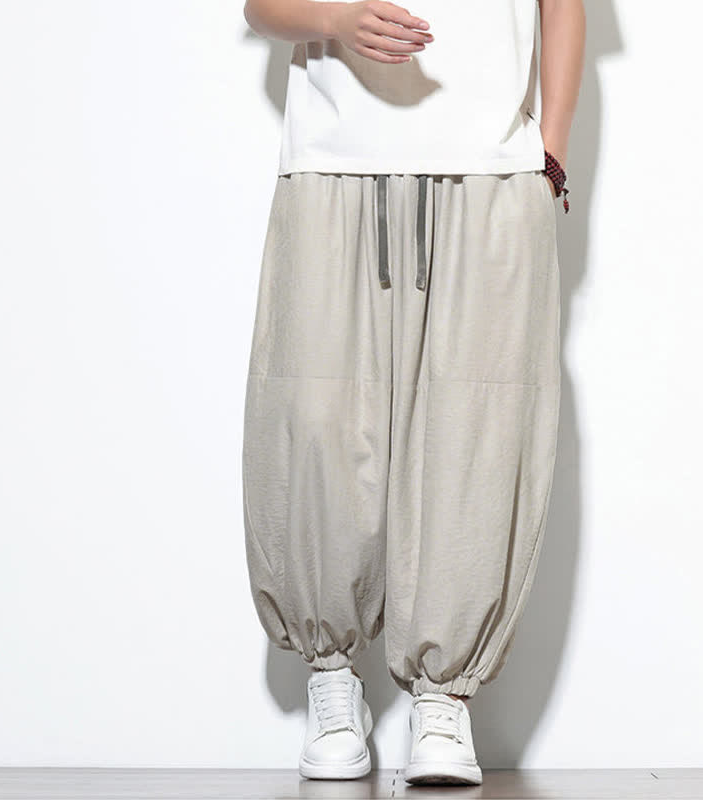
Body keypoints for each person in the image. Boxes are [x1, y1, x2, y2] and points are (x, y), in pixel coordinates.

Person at [241, 0, 585, 785]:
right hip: (331, 164)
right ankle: (332, 681)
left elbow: (563, 8)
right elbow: (261, 7)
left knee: (477, 435)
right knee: (316, 426)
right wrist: (334, 19)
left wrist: (551, 157)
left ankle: (443, 700)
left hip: (493, 170)